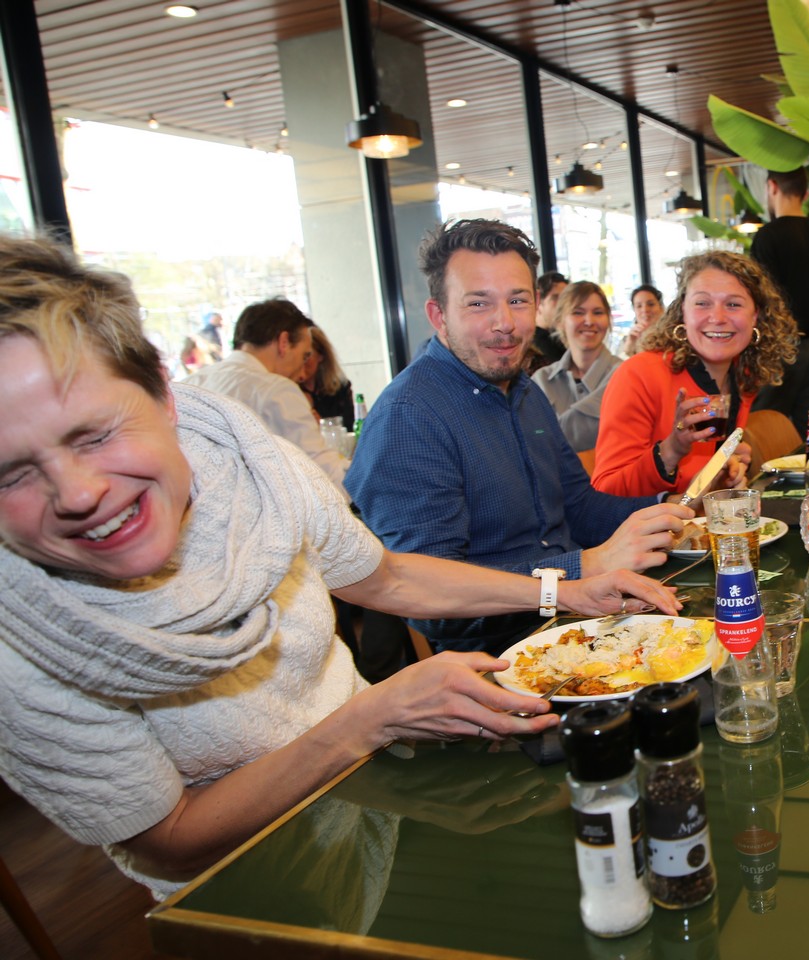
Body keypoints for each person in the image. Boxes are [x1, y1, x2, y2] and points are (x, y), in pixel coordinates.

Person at [0, 233, 678, 899]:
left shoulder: (256, 465)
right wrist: (369, 719)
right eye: (11, 473)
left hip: (391, 788)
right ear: (438, 314)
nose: (78, 494)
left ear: (162, 396)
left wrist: (570, 587)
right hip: (265, 885)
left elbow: (390, 576)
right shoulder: (19, 646)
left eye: (95, 434)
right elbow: (168, 841)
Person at [345, 220, 689, 654]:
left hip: (579, 616)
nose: (504, 323)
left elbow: (577, 507)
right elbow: (430, 600)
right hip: (499, 655)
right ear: (438, 316)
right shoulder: (408, 417)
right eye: (478, 303)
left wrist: (670, 508)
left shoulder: (523, 389)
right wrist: (580, 569)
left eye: (517, 300)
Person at [591, 251, 796, 497]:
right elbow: (605, 493)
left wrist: (725, 472)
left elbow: (697, 489)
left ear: (755, 316)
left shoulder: (743, 377)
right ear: (683, 312)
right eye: (702, 303)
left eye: (733, 304)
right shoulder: (638, 374)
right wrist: (671, 451)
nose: (718, 318)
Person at [185, 298, 350, 497]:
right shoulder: (276, 390)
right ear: (283, 343)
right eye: (304, 356)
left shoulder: (190, 383)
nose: (302, 373)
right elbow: (322, 475)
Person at [748, 167, 809, 433]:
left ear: (772, 186)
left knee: (765, 430)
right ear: (806, 192)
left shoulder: (767, 237)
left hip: (778, 350)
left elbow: (759, 303)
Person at [535, 280, 622, 452]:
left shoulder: (625, 375)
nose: (589, 321)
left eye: (598, 313)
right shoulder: (541, 381)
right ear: (560, 321)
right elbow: (533, 437)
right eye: (578, 312)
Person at [297, 324, 355, 429]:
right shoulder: (290, 391)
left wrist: (323, 425)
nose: (302, 362)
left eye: (307, 356)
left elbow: (350, 426)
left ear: (321, 355)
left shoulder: (340, 388)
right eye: (299, 356)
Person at [525, 270, 568, 372]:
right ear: (538, 302)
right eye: (555, 298)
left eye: (566, 299)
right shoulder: (533, 347)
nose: (563, 304)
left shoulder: (561, 339)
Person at [621, 284, 665, 358]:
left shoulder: (671, 336)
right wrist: (629, 348)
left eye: (650, 304)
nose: (645, 310)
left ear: (661, 307)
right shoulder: (628, 340)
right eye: (639, 306)